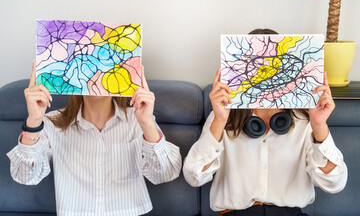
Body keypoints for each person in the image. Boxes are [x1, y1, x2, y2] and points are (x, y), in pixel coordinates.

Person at [183, 29, 347, 216]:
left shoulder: (305, 121)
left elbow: (334, 184)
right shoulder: (222, 118)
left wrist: (319, 126)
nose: (266, 74)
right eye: (258, 67)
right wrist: (219, 120)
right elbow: (193, 176)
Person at [7, 61, 182, 216]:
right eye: (88, 67)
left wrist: (147, 124)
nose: (96, 75)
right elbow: (25, 176)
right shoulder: (51, 124)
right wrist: (33, 122)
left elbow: (165, 174)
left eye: (104, 66)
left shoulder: (139, 119)